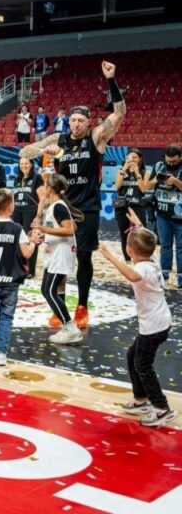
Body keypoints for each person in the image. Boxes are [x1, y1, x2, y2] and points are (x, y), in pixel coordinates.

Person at [20, 61, 127, 329]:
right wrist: (34, 151)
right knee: (59, 260)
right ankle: (61, 307)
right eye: (73, 119)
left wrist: (111, 81)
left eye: (81, 120)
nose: (76, 124)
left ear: (89, 122)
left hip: (87, 209)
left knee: (83, 258)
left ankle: (82, 307)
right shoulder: (59, 140)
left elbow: (120, 113)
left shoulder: (97, 138)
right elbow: (27, 151)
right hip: (61, 209)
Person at [98, 213, 177, 427]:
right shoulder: (152, 259)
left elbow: (132, 276)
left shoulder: (140, 268)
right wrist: (139, 225)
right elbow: (147, 241)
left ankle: (161, 408)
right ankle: (141, 399)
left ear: (129, 250)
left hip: (153, 326)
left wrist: (111, 257)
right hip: (159, 321)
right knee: (133, 355)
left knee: (143, 364)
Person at [0, 189, 39, 365]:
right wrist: (33, 242)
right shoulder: (17, 229)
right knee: (6, 318)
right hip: (10, 281)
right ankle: (1, 354)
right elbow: (26, 253)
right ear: (11, 206)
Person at [34, 174, 81, 344]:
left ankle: (70, 327)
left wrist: (43, 229)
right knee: (46, 290)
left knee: (50, 291)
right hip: (55, 254)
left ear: (49, 188)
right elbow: (72, 225)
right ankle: (67, 326)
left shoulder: (58, 207)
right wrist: (44, 236)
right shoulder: (56, 206)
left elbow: (69, 230)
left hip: (61, 255)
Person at [143, 145, 182, 284]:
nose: (171, 163)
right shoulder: (159, 166)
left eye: (174, 161)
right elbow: (147, 186)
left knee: (181, 247)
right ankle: (164, 276)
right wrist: (157, 180)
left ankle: (181, 278)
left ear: (180, 158)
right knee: (165, 245)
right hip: (162, 213)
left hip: (180, 215)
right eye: (169, 161)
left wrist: (176, 181)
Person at [12, 157, 44, 277]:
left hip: (30, 212)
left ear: (31, 164)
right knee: (17, 239)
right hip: (17, 212)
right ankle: (19, 267)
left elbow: (42, 199)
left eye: (26, 163)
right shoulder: (17, 179)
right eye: (21, 164)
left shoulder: (37, 178)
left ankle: (30, 270)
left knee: (30, 238)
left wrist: (39, 216)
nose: (23, 166)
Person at [114, 150, 149, 259]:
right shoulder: (121, 171)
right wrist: (124, 169)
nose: (132, 160)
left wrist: (137, 173)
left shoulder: (145, 172)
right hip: (122, 206)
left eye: (135, 157)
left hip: (138, 206)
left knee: (140, 233)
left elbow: (143, 189)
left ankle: (140, 257)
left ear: (140, 159)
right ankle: (127, 259)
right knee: (124, 234)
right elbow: (117, 186)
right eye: (129, 157)